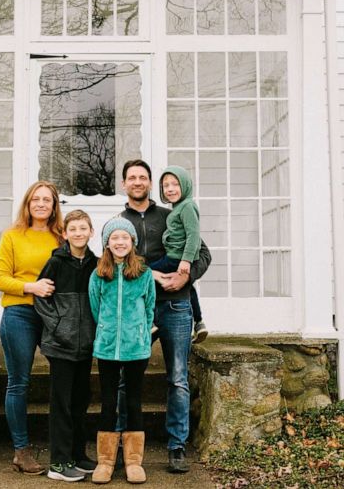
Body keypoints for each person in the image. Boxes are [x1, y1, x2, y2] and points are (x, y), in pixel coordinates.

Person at [119, 159, 210, 474]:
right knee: (126, 379)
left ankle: (176, 447)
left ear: (149, 183)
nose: (138, 182)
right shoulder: (120, 224)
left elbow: (202, 253)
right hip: (136, 311)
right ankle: (126, 447)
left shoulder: (172, 215)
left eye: (143, 177)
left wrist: (186, 277)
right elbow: (116, 265)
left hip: (175, 307)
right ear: (124, 184)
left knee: (178, 379)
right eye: (132, 177)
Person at [0, 180, 64, 475]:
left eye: (47, 200)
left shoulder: (61, 238)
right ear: (27, 203)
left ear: (54, 206)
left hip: (54, 317)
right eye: (36, 199)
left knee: (64, 379)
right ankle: (21, 451)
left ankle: (65, 446)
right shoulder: (12, 236)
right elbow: (0, 279)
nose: (41, 204)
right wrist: (31, 286)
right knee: (18, 382)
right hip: (19, 314)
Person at [34, 210, 99, 482]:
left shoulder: (96, 264)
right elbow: (41, 299)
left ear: (91, 232)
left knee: (80, 401)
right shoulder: (56, 262)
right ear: (65, 233)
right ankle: (58, 464)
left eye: (83, 228)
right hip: (60, 344)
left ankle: (78, 455)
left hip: (85, 345)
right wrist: (58, 326)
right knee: (61, 403)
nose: (78, 233)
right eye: (73, 229)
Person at [88, 218, 155, 485]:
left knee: (133, 401)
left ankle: (133, 462)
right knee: (107, 401)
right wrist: (106, 330)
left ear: (132, 242)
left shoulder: (144, 273)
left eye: (124, 238)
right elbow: (95, 309)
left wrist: (140, 333)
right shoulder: (98, 274)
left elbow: (149, 308)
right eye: (114, 238)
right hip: (106, 348)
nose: (119, 242)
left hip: (136, 348)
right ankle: (105, 461)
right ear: (107, 243)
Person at [151, 166, 208, 343]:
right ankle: (199, 322)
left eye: (175, 184)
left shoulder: (187, 206)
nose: (170, 189)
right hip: (177, 256)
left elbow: (193, 235)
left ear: (185, 185)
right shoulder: (177, 208)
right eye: (165, 185)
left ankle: (150, 320)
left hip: (176, 257)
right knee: (188, 288)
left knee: (145, 274)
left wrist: (186, 260)